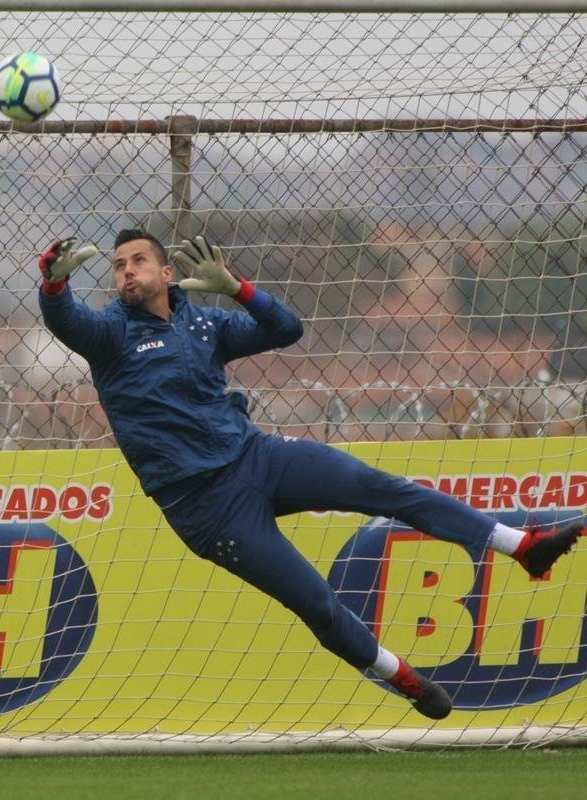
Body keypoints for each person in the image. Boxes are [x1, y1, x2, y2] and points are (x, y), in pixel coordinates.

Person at [36, 229, 584, 720]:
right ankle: (404, 678)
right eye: (118, 265)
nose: (127, 271)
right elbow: (68, 321)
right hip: (205, 507)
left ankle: (523, 547)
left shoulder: (202, 322)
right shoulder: (110, 332)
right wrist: (55, 287)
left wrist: (236, 288)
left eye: (138, 260)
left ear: (167, 273)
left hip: (258, 458)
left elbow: (286, 328)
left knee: (383, 488)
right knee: (316, 602)